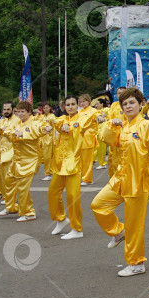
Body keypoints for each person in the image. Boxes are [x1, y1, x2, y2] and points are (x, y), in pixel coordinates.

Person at [91, 87, 149, 277]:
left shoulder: (144, 125)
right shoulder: (122, 125)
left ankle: (137, 263)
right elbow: (107, 140)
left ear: (140, 104)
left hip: (138, 182)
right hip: (119, 179)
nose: (128, 106)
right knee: (98, 205)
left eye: (132, 102)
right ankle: (118, 231)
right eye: (125, 104)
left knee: (135, 226)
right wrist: (110, 125)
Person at [47, 95, 83, 239]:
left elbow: (93, 117)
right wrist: (59, 125)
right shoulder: (63, 118)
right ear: (64, 107)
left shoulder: (82, 119)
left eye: (73, 104)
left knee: (72, 196)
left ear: (77, 105)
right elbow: (54, 121)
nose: (70, 107)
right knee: (52, 193)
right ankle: (60, 219)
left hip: (74, 163)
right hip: (60, 164)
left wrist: (101, 117)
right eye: (67, 104)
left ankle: (77, 229)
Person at [0, 101, 42, 222]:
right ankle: (11, 207)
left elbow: (39, 130)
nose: (20, 114)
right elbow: (8, 132)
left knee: (23, 187)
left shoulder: (35, 122)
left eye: (23, 111)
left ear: (29, 112)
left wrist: (23, 134)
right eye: (18, 111)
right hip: (17, 159)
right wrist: (14, 133)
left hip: (30, 159)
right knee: (8, 181)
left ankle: (28, 212)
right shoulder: (17, 122)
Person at [0, 102, 20, 204]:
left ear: (13, 109)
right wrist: (1, 129)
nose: (6, 111)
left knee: (7, 175)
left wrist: (8, 130)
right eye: (4, 109)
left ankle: (9, 197)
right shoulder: (2, 121)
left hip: (12, 151)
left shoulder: (17, 120)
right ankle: (0, 192)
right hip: (2, 151)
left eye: (8, 109)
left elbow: (17, 133)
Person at [77, 94, 99, 185]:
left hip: (88, 139)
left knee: (87, 160)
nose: (82, 103)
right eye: (81, 102)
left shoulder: (93, 111)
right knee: (80, 160)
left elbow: (98, 115)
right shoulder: (79, 112)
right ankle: (81, 177)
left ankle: (87, 179)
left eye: (84, 101)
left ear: (89, 102)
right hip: (79, 139)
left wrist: (100, 117)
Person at [37, 102, 57, 181]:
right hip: (42, 140)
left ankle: (49, 173)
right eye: (44, 108)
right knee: (45, 158)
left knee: (48, 158)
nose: (46, 109)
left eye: (47, 108)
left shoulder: (51, 116)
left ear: (50, 108)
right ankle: (50, 172)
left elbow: (55, 122)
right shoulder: (41, 117)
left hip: (49, 140)